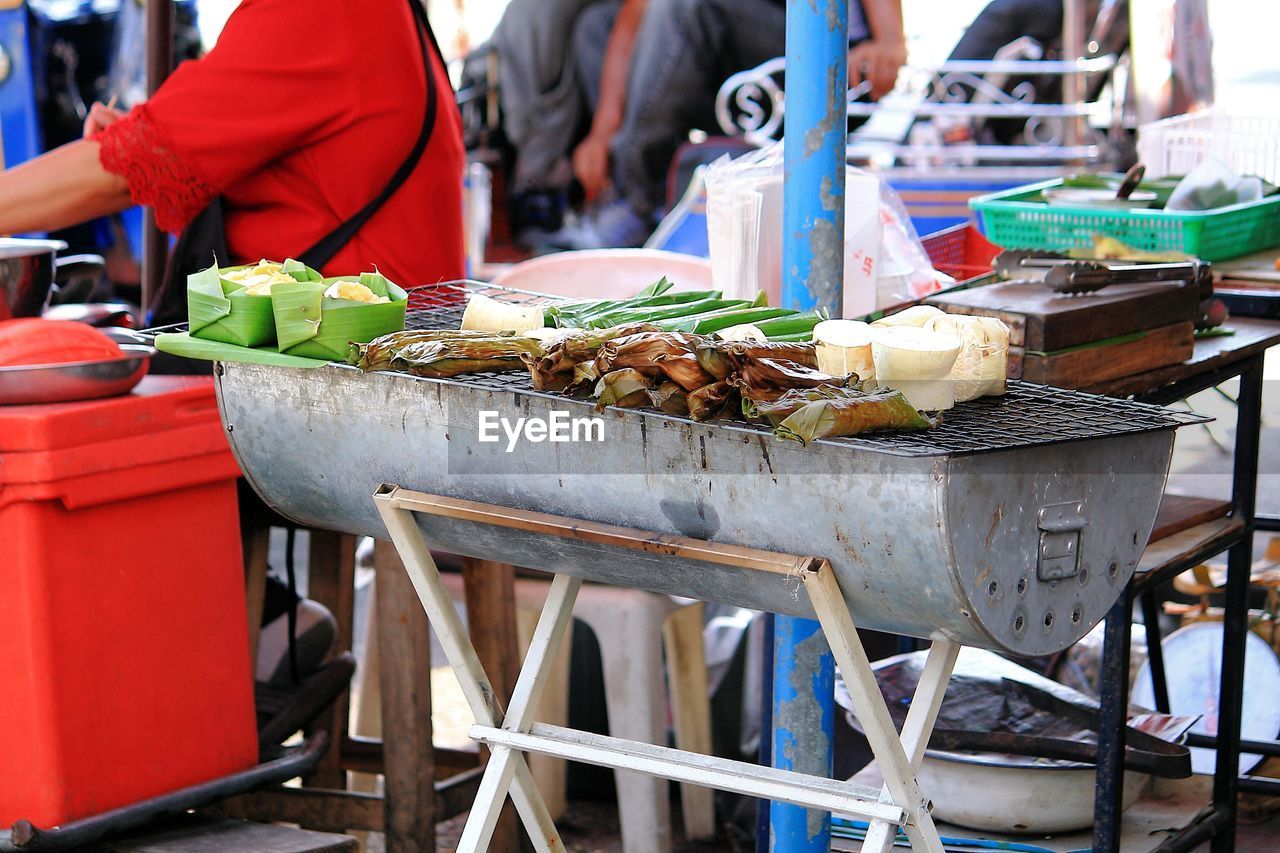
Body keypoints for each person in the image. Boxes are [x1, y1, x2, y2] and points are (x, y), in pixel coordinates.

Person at [0, 0, 465, 695]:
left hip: (356, 392)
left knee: (75, 428)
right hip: (365, 370)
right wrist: (140, 138)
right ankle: (251, 625)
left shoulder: (323, 9)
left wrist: (134, 145)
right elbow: (234, 150)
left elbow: (128, 169)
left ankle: (223, 648)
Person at [0, 0, 465, 298]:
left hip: (354, 376)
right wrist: (157, 137)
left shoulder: (321, 11)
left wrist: (148, 142)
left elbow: (125, 169)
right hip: (370, 355)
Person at [562, 0, 908, 249]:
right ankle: (631, 187)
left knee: (686, 6)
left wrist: (891, 41)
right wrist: (603, 130)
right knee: (597, 25)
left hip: (828, 57)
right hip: (729, 70)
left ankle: (635, 201)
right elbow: (634, 13)